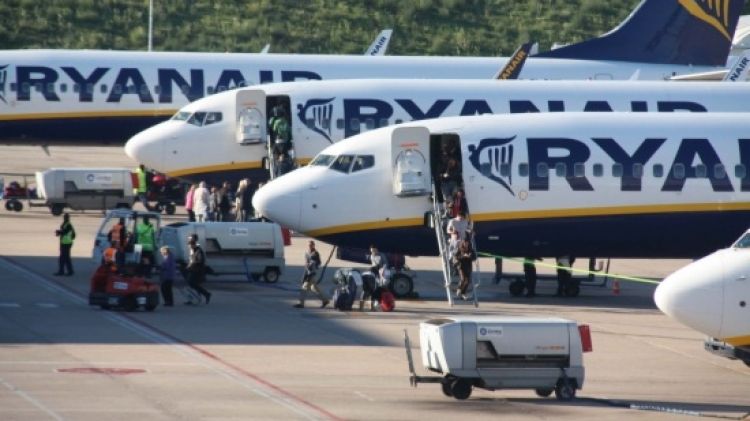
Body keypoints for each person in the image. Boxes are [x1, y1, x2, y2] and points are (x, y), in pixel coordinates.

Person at [294, 241, 329, 308]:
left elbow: (319, 263)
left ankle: (301, 303)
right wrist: (306, 270)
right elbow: (306, 263)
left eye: (311, 245)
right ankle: (325, 300)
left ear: (313, 245)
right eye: (309, 245)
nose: (310, 246)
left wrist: (313, 265)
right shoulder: (307, 253)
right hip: (307, 272)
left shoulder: (315, 254)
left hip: (312, 273)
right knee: (313, 288)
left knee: (304, 287)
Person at [186, 234, 211, 304]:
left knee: (192, 283)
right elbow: (191, 259)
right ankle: (194, 298)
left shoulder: (198, 250)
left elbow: (200, 260)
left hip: (197, 270)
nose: (189, 247)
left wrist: (192, 263)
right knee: (192, 284)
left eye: (190, 246)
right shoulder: (193, 249)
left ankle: (205, 294)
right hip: (193, 269)